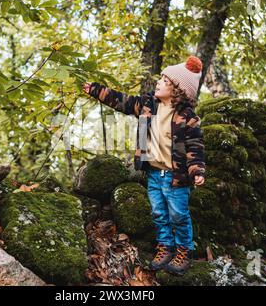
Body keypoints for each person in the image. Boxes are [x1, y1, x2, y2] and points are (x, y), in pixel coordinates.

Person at [82, 56, 206, 275]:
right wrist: (95, 90)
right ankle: (165, 247)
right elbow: (122, 100)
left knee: (178, 214)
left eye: (164, 81)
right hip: (154, 174)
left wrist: (196, 170)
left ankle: (183, 251)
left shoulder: (188, 117)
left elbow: (195, 147)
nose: (158, 83)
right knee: (159, 212)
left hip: (176, 178)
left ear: (177, 89)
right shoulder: (148, 105)